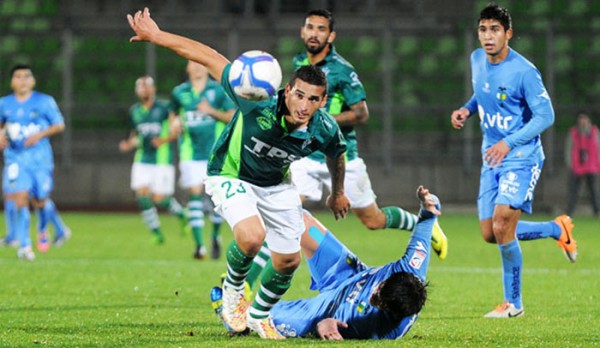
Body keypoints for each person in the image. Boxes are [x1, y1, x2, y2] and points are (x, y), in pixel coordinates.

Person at [127, 7, 350, 340]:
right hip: (231, 174)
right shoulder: (255, 101)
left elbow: (338, 155)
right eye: (299, 95)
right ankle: (231, 293)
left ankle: (259, 315)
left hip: (275, 184)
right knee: (250, 237)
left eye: (313, 99)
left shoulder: (324, 128)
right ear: (287, 90)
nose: (303, 105)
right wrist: (158, 36)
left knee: (289, 261)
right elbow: (208, 57)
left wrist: (338, 192)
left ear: (322, 101)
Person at [244, 8, 448, 291]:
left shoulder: (342, 69)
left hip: (342, 156)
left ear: (331, 35)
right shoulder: (299, 63)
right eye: (310, 27)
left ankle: (424, 224)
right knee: (283, 212)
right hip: (304, 155)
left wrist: (321, 121)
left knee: (373, 220)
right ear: (302, 31)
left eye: (321, 29)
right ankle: (244, 284)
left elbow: (361, 114)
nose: (314, 33)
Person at [450, 4, 578, 318]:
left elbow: (546, 116)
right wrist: (467, 109)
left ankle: (514, 304)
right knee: (491, 232)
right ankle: (555, 228)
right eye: (483, 29)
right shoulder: (476, 59)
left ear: (509, 33)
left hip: (521, 156)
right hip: (491, 156)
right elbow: (483, 93)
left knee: (502, 223)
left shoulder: (524, 71)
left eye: (495, 29)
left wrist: (509, 142)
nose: (488, 36)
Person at [212, 185, 438, 340]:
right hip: (347, 272)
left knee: (256, 317)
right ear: (391, 277)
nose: (373, 296)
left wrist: (323, 325)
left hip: (328, 309)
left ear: (390, 312)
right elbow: (428, 218)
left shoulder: (381, 326)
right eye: (378, 291)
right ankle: (252, 267)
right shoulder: (412, 265)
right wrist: (429, 203)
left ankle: (229, 311)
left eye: (377, 302)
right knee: (299, 221)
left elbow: (329, 326)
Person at [0, 64, 71, 260]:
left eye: (26, 76)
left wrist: (40, 134)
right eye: (18, 76)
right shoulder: (4, 103)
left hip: (40, 160)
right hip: (16, 159)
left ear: (33, 81)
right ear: (12, 81)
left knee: (40, 201)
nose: (22, 80)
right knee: (19, 197)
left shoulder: (44, 101)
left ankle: (50, 229)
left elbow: (59, 125)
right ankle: (24, 245)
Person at [169, 60, 236, 260]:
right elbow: (173, 113)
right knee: (195, 195)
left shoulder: (218, 90)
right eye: (192, 63)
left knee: (217, 198)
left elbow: (232, 117)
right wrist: (174, 123)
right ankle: (199, 246)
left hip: (215, 152)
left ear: (207, 67)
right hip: (189, 152)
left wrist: (211, 112)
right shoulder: (179, 92)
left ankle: (215, 236)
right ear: (187, 68)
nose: (197, 67)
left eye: (200, 63)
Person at [119, 75, 186, 245]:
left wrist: (162, 140)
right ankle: (156, 233)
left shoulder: (164, 108)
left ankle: (181, 214)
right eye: (140, 87)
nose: (144, 90)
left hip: (162, 159)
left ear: (153, 89)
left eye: (146, 86)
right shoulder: (134, 111)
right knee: (141, 195)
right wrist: (128, 143)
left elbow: (177, 130)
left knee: (159, 199)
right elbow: (135, 134)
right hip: (142, 158)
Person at [565, 112, 600, 216]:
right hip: (577, 166)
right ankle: (570, 211)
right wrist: (570, 164)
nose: (583, 123)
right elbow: (568, 149)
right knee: (574, 191)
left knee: (593, 190)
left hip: (592, 166)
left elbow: (598, 147)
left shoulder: (594, 132)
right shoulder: (573, 132)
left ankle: (596, 210)